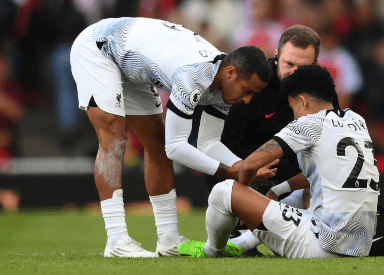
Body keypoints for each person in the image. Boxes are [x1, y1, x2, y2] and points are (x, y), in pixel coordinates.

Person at [70, 17, 275, 258]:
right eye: (248, 91)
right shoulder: (193, 75)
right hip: (99, 47)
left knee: (156, 142)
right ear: (231, 72)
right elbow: (176, 147)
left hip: (131, 60)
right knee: (115, 138)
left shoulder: (224, 82)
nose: (248, 100)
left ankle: (169, 240)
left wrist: (242, 166)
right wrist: (230, 171)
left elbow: (209, 144)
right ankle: (116, 240)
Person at [178, 64, 380, 258]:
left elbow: (249, 164)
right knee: (301, 194)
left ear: (302, 101)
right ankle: (240, 244)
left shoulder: (308, 124)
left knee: (224, 190)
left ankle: (212, 251)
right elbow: (326, 174)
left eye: (293, 108)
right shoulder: (355, 120)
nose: (294, 115)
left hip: (324, 246)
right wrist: (278, 190)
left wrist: (242, 200)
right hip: (359, 245)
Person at [204, 25, 321, 190]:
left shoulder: (321, 92)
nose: (295, 72)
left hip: (290, 179)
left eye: (303, 68)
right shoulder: (252, 86)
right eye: (289, 64)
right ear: (276, 55)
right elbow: (223, 148)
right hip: (240, 175)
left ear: (315, 64)